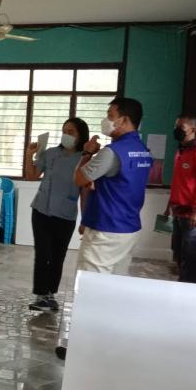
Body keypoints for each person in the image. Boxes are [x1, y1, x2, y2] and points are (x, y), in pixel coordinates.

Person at [74, 97, 152, 274]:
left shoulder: (111, 152)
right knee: (115, 282)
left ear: (123, 120)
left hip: (106, 229)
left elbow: (79, 179)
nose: (106, 120)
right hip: (129, 228)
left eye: (110, 115)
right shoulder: (142, 150)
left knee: (91, 283)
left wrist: (87, 153)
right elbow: (122, 183)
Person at [24, 118, 89, 312]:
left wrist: (85, 220)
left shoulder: (84, 159)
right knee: (42, 254)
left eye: (71, 132)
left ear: (80, 135)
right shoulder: (51, 153)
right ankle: (41, 295)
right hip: (41, 211)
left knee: (57, 256)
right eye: (64, 131)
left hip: (65, 215)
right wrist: (29, 155)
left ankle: (50, 294)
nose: (66, 135)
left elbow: (85, 192)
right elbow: (32, 176)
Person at [164, 115, 196, 283]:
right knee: (178, 252)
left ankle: (189, 287)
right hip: (178, 210)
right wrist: (169, 205)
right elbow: (179, 181)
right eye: (176, 127)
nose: (177, 130)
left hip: (193, 213)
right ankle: (182, 284)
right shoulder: (181, 150)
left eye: (181, 128)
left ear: (193, 130)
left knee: (190, 255)